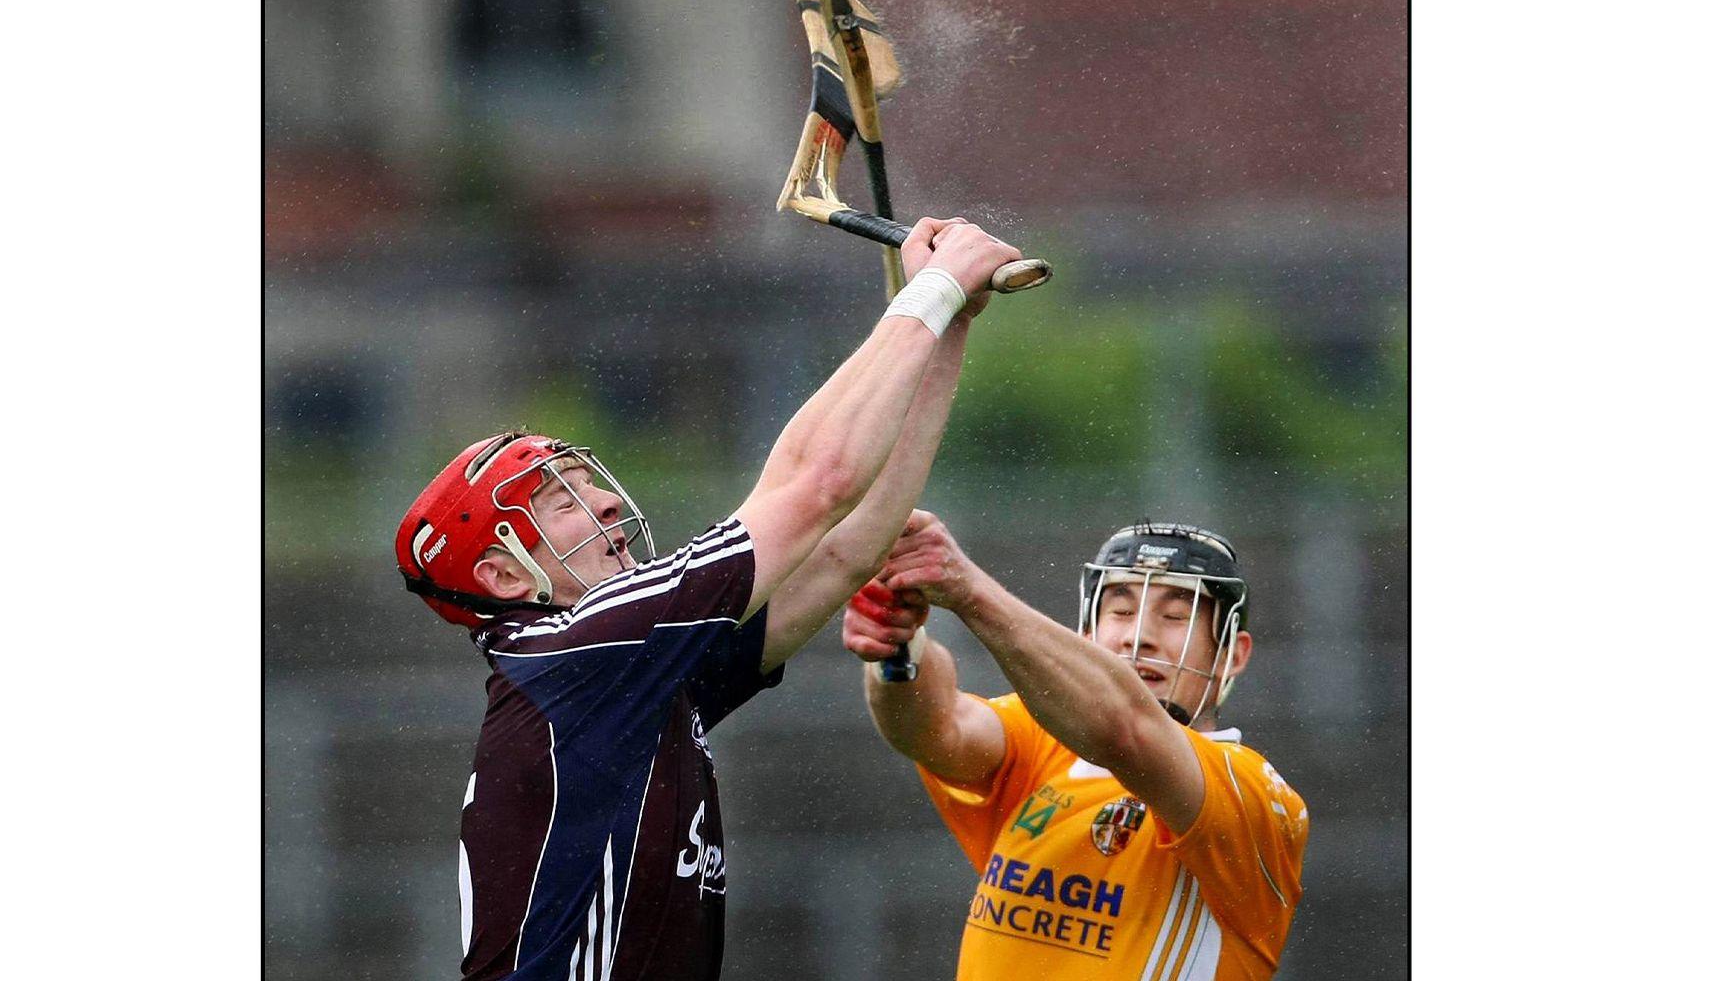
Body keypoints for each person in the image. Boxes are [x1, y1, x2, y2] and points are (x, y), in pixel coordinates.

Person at [393, 218, 1021, 980]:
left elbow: (847, 546)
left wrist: (946, 328)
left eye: (590, 483)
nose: (610, 506)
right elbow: (816, 484)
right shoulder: (578, 656)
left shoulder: (627, 677)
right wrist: (935, 286)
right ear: (505, 579)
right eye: (563, 503)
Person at [842, 512, 1308, 979]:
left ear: (1232, 655)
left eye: (1174, 617)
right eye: (1121, 611)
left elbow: (1125, 729)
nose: (1137, 635)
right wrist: (898, 640)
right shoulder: (1043, 743)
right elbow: (934, 726)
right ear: (1087, 635)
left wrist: (967, 589)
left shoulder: (1253, 795)